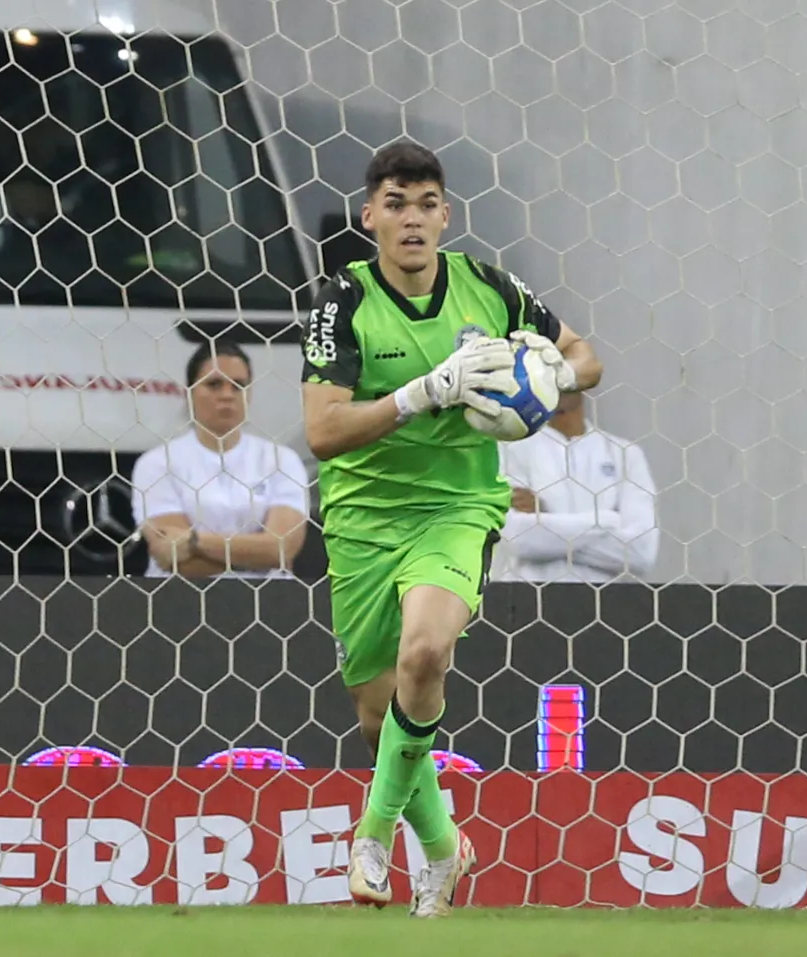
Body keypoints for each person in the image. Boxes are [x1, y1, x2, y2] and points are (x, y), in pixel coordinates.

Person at [300, 141, 602, 917]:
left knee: (426, 651)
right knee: (379, 716)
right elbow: (324, 432)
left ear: (446, 215)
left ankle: (372, 832)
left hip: (458, 508)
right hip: (364, 519)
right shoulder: (340, 303)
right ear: (369, 215)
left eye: (426, 203)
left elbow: (585, 355)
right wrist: (423, 392)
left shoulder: (487, 288)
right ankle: (444, 848)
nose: (412, 219)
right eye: (396, 204)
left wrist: (553, 377)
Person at [132, 340, 309, 578]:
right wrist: (258, 556)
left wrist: (194, 541)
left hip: (268, 602)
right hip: (180, 599)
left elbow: (282, 548)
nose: (227, 394)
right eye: (214, 384)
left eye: (238, 385)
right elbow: (175, 561)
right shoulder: (156, 464)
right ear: (189, 392)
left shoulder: (282, 461)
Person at [496, 391, 659, 582]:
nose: (561, 375)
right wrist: (607, 521)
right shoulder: (508, 448)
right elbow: (517, 538)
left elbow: (641, 554)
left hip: (604, 603)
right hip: (526, 599)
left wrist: (546, 521)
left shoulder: (625, 454)